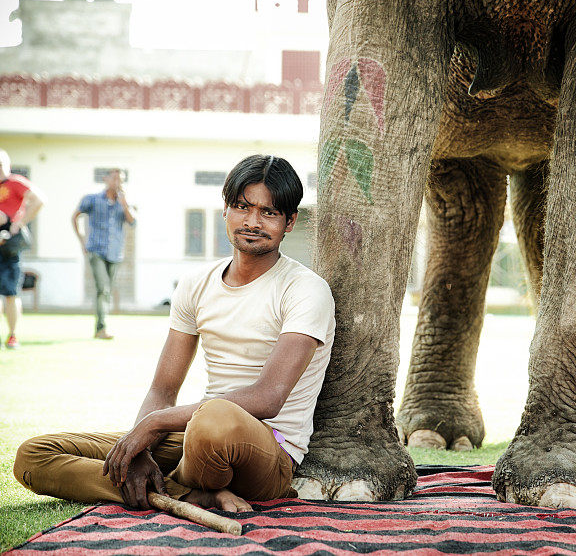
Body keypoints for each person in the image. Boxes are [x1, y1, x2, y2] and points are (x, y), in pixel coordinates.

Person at [15, 155, 335, 511]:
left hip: (266, 451)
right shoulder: (196, 284)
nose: (252, 222)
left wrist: (153, 425)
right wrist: (140, 449)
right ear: (225, 211)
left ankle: (176, 486)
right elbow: (163, 388)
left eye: (269, 212)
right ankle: (186, 494)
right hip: (194, 437)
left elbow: (268, 398)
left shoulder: (306, 289)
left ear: (290, 222)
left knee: (214, 418)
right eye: (242, 207)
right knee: (35, 455)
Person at [71, 169, 136, 339]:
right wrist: (82, 240)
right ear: (105, 179)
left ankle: (101, 327)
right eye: (114, 178)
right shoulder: (92, 199)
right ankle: (101, 328)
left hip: (115, 253)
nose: (117, 182)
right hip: (96, 250)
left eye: (120, 179)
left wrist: (125, 204)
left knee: (107, 290)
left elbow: (133, 222)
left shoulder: (124, 203)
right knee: (103, 288)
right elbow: (75, 217)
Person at [0, 149, 46, 349]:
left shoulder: (15, 182)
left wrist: (19, 222)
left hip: (9, 243)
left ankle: (12, 335)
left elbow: (39, 200)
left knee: (10, 292)